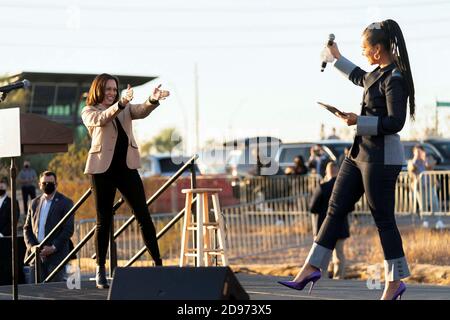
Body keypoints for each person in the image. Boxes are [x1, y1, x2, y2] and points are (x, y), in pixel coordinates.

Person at [279, 19, 415, 300]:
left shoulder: (395, 79)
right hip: (359, 154)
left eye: (365, 48)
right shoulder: (378, 74)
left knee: (383, 220)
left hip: (381, 158)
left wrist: (359, 121)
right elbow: (359, 76)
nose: (363, 53)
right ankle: (311, 267)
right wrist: (336, 57)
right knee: (334, 207)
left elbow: (396, 122)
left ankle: (395, 281)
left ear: (377, 50)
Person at [81, 73, 170, 289]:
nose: (112, 93)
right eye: (108, 89)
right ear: (98, 90)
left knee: (143, 215)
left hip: (127, 169)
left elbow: (140, 110)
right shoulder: (90, 111)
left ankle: (158, 264)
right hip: (102, 171)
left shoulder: (125, 109)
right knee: (103, 221)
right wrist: (120, 104)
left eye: (115, 89)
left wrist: (153, 99)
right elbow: (101, 120)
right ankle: (100, 269)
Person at [23, 171, 74, 282]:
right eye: (44, 183)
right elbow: (27, 228)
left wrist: (53, 248)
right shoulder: (33, 203)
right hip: (35, 257)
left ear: (56, 184)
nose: (47, 185)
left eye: (50, 183)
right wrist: (32, 247)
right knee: (34, 293)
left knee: (54, 293)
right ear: (39, 184)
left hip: (56, 258)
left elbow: (68, 229)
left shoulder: (66, 203)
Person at [309, 162, 350, 279]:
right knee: (339, 255)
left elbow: (313, 208)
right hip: (341, 227)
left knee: (324, 255)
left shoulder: (322, 187)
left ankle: (323, 278)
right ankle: (339, 278)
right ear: (338, 171)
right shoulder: (345, 189)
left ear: (327, 172)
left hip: (324, 227)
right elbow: (350, 207)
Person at [407, 144, 439, 216]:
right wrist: (415, 160)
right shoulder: (411, 162)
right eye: (416, 152)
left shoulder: (427, 158)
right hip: (419, 186)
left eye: (420, 151)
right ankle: (425, 221)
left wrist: (425, 160)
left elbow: (431, 166)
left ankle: (438, 220)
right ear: (414, 153)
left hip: (429, 184)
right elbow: (411, 169)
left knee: (434, 203)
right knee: (423, 204)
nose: (418, 153)